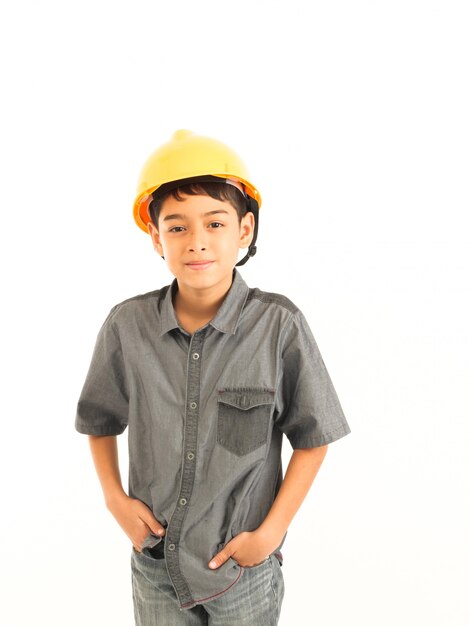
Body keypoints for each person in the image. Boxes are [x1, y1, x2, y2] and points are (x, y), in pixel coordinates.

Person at [75, 129, 351, 625]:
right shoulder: (127, 326)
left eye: (215, 223)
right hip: (157, 564)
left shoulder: (278, 326)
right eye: (177, 227)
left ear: (244, 231)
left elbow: (314, 437)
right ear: (155, 237)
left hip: (243, 569)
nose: (197, 242)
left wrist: (270, 534)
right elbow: (99, 419)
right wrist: (114, 499)